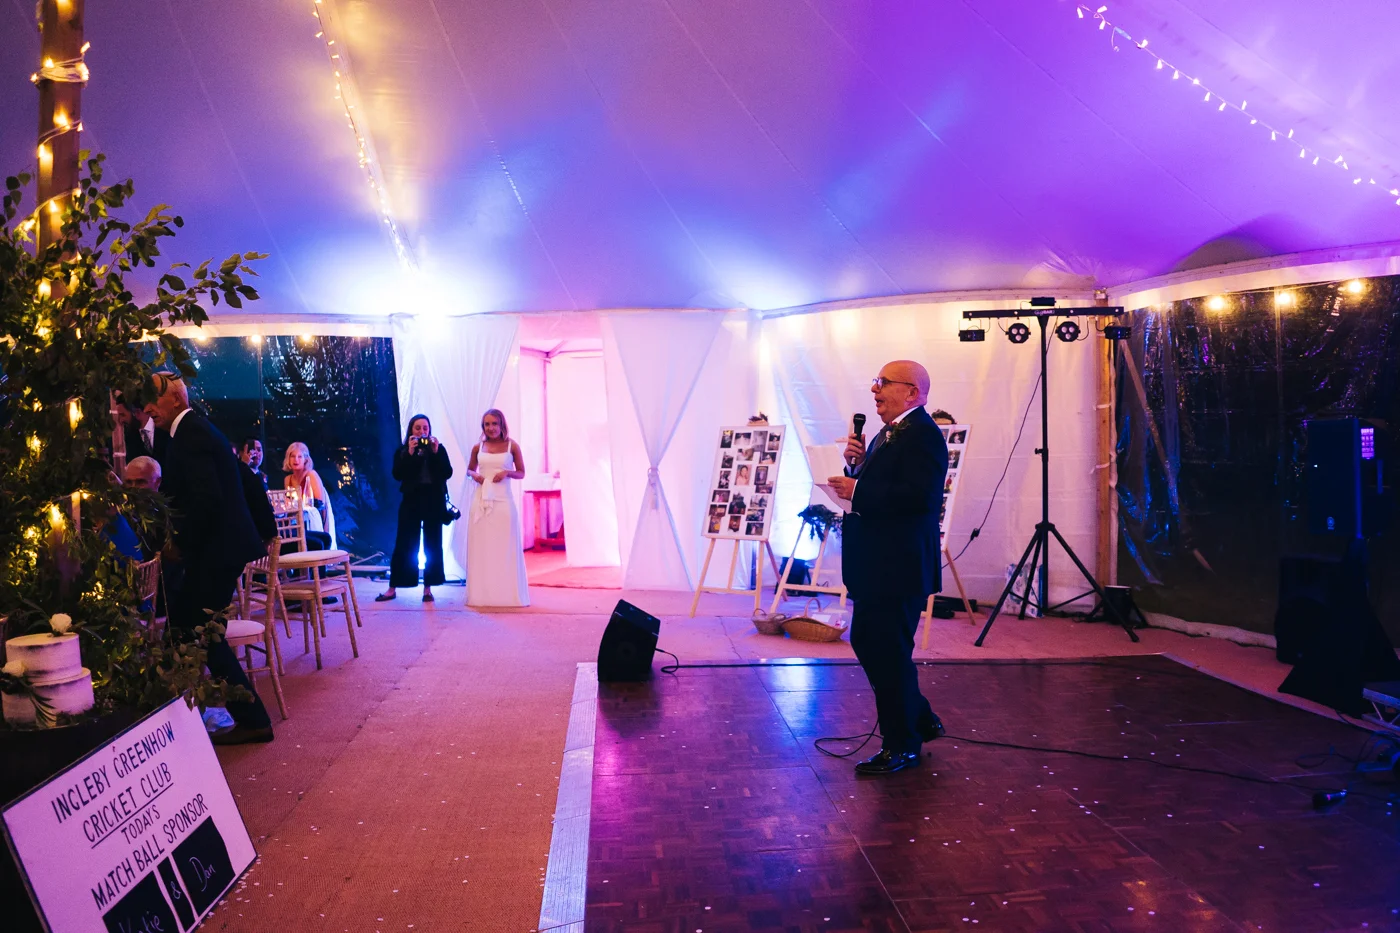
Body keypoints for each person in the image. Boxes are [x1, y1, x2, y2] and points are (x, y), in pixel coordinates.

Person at [825, 360, 948, 775]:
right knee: (873, 643)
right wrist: (856, 468)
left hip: (899, 566)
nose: (874, 390)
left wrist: (858, 488)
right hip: (877, 564)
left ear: (911, 392)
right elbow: (885, 485)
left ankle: (902, 745)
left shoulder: (923, 434)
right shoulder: (888, 432)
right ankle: (920, 718)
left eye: (883, 382)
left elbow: (919, 498)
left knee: (888, 652)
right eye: (875, 382)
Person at [142, 373, 274, 745]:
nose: (148, 408)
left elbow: (206, 501)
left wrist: (179, 545)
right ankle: (180, 717)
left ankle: (243, 719)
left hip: (216, 551)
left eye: (153, 400)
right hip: (222, 549)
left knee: (195, 631)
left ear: (176, 399)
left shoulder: (191, 434)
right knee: (192, 631)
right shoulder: (196, 430)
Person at [378, 415, 453, 603]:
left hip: (433, 500)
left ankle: (428, 589)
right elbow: (397, 474)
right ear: (411, 429)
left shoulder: (438, 448)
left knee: (432, 544)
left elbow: (447, 472)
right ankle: (393, 588)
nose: (422, 431)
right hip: (411, 500)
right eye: (418, 428)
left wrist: (435, 453)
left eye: (425, 428)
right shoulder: (403, 451)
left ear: (430, 429)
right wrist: (410, 454)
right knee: (404, 543)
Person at [465, 409, 529, 607]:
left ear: (501, 425)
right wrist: (475, 475)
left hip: (503, 501)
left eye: (494, 424)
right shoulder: (478, 447)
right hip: (481, 501)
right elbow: (469, 470)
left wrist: (507, 473)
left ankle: (507, 594)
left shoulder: (512, 446)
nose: (491, 428)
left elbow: (522, 473)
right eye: (487, 424)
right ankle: (482, 594)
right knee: (483, 547)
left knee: (504, 547)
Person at [283, 442, 335, 551]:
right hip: (295, 523)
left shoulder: (311, 475)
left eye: (299, 456)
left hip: (313, 522)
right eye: (292, 456)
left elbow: (320, 504)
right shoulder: (288, 479)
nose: (296, 460)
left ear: (305, 459)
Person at [114, 391, 169, 465]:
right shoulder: (130, 437)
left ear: (137, 412)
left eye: (122, 415)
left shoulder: (165, 427)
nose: (120, 421)